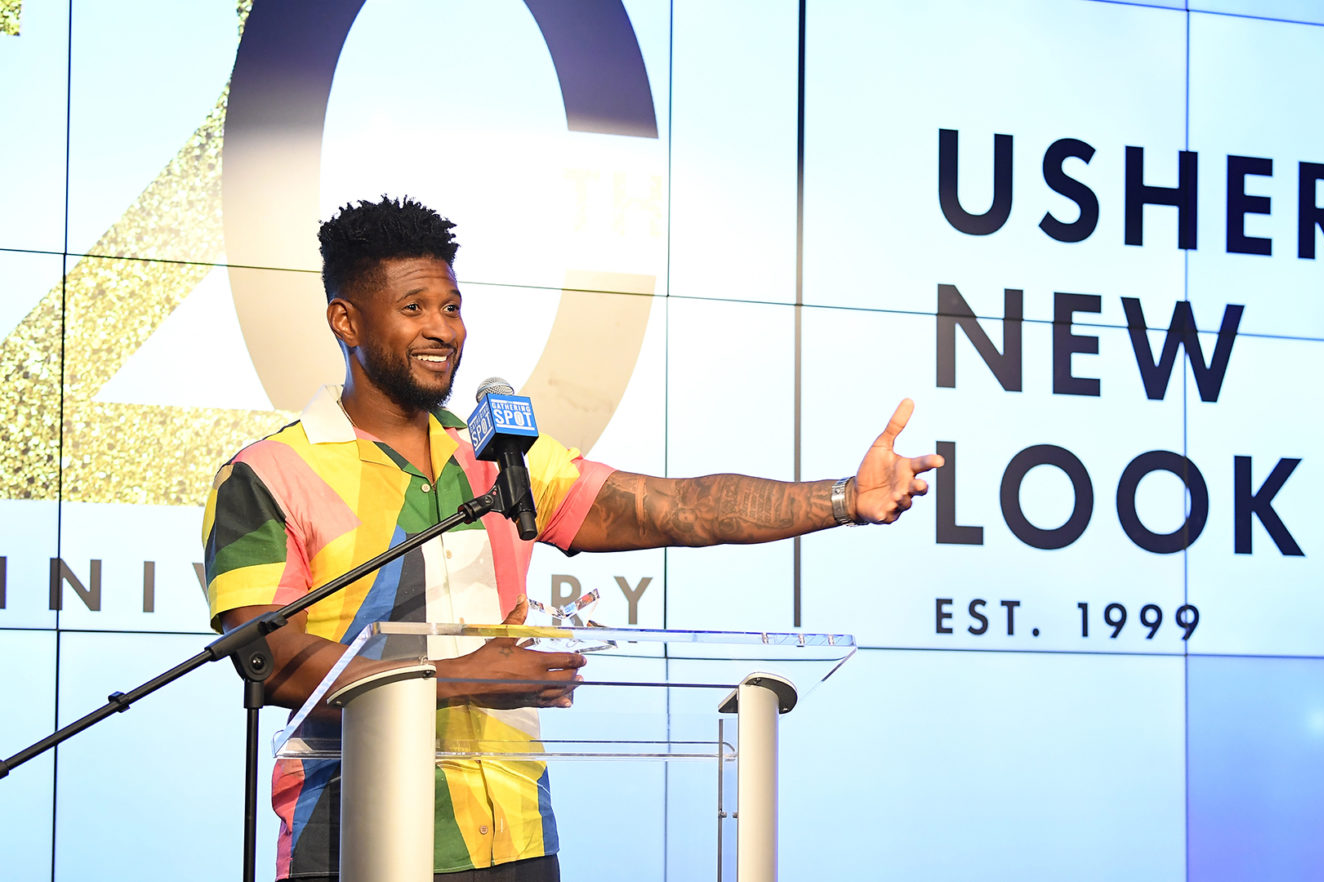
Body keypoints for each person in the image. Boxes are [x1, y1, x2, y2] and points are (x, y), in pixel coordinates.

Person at [202, 196, 942, 881]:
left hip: (518, 839)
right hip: (354, 841)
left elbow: (672, 508)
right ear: (346, 321)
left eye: (452, 307)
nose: (443, 330)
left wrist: (843, 499)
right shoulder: (270, 474)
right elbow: (271, 659)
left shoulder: (499, 460)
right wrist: (461, 677)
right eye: (414, 307)